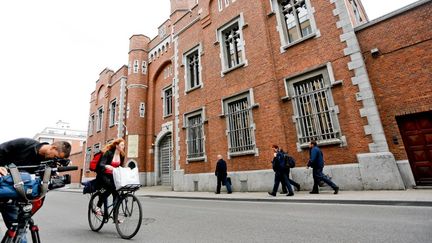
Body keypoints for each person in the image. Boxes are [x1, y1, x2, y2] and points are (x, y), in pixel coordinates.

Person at [0, 138, 71, 243]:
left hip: (14, 198)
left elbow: (41, 189)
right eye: (55, 157)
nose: (54, 160)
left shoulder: (48, 163)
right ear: (53, 147)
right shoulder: (24, 143)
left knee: (20, 233)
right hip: (2, 186)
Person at [94, 138, 125, 215]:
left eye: (124, 145)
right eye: (122, 145)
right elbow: (101, 164)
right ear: (117, 145)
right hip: (103, 175)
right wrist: (107, 166)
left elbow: (120, 166)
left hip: (113, 175)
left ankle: (115, 215)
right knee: (111, 188)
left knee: (117, 193)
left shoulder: (122, 155)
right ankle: (98, 207)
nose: (123, 146)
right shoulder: (108, 153)